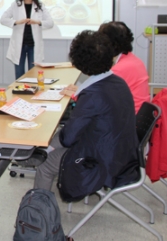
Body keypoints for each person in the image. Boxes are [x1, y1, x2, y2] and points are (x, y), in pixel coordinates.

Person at [33, 30, 139, 199]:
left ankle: (39, 213)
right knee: (54, 141)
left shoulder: (92, 95)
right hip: (123, 152)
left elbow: (68, 138)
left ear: (78, 62)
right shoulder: (118, 82)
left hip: (103, 161)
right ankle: (40, 151)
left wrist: (48, 146)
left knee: (45, 165)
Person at [62, 21, 149, 113]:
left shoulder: (119, 69)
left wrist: (76, 94)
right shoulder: (133, 60)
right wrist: (81, 90)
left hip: (128, 119)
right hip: (136, 114)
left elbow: (97, 101)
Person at [0, 0, 54, 80]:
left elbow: (50, 23)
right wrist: (16, 22)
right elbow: (3, 19)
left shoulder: (40, 5)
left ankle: (32, 93)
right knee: (19, 74)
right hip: (19, 45)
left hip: (33, 46)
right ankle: (20, 93)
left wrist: (37, 22)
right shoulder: (16, 4)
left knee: (33, 73)